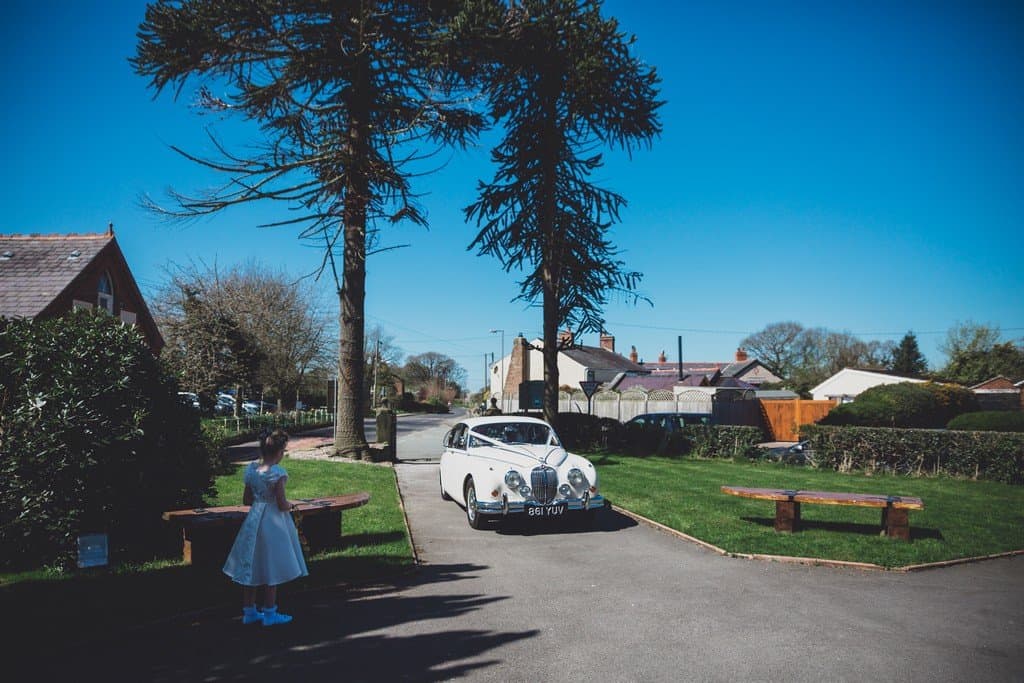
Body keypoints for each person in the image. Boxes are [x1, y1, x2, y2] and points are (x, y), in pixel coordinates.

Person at [223, 428, 308, 626]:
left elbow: (246, 500)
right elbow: (280, 503)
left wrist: (260, 502)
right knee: (272, 564)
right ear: (279, 452)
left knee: (251, 563)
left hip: (254, 520)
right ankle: (270, 612)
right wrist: (292, 506)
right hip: (273, 522)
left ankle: (249, 611)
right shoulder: (277, 473)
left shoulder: (252, 471)